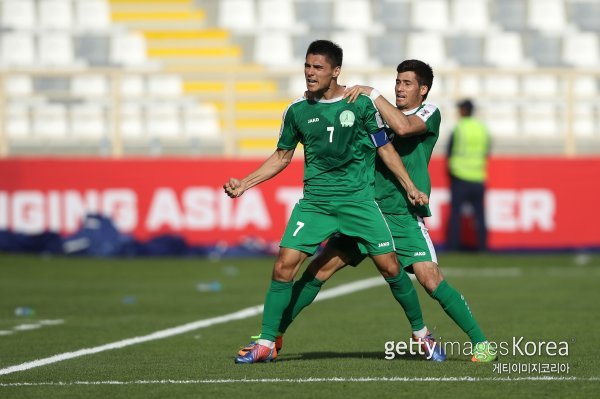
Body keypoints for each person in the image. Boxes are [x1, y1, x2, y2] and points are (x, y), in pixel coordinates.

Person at [242, 60, 497, 363]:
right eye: (397, 82)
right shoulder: (373, 111)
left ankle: (482, 344)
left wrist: (371, 92)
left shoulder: (428, 112)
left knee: (430, 279)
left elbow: (402, 128)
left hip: (401, 213)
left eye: (407, 83)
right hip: (362, 209)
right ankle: (274, 335)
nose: (399, 88)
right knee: (319, 270)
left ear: (423, 89)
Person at [224, 40, 431, 364]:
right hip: (316, 204)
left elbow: (385, 149)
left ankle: (421, 333)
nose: (310, 73)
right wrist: (245, 183)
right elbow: (281, 156)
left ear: (335, 71)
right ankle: (266, 342)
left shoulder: (360, 105)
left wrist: (409, 187)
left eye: (317, 67)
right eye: (307, 66)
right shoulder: (297, 110)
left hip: (359, 203)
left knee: (390, 267)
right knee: (283, 267)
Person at [446, 99, 491, 252]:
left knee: (455, 215)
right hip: (478, 176)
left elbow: (450, 152)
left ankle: (453, 247)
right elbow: (486, 150)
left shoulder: (459, 128)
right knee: (480, 215)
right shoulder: (482, 128)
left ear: (463, 111)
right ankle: (483, 247)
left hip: (460, 176)